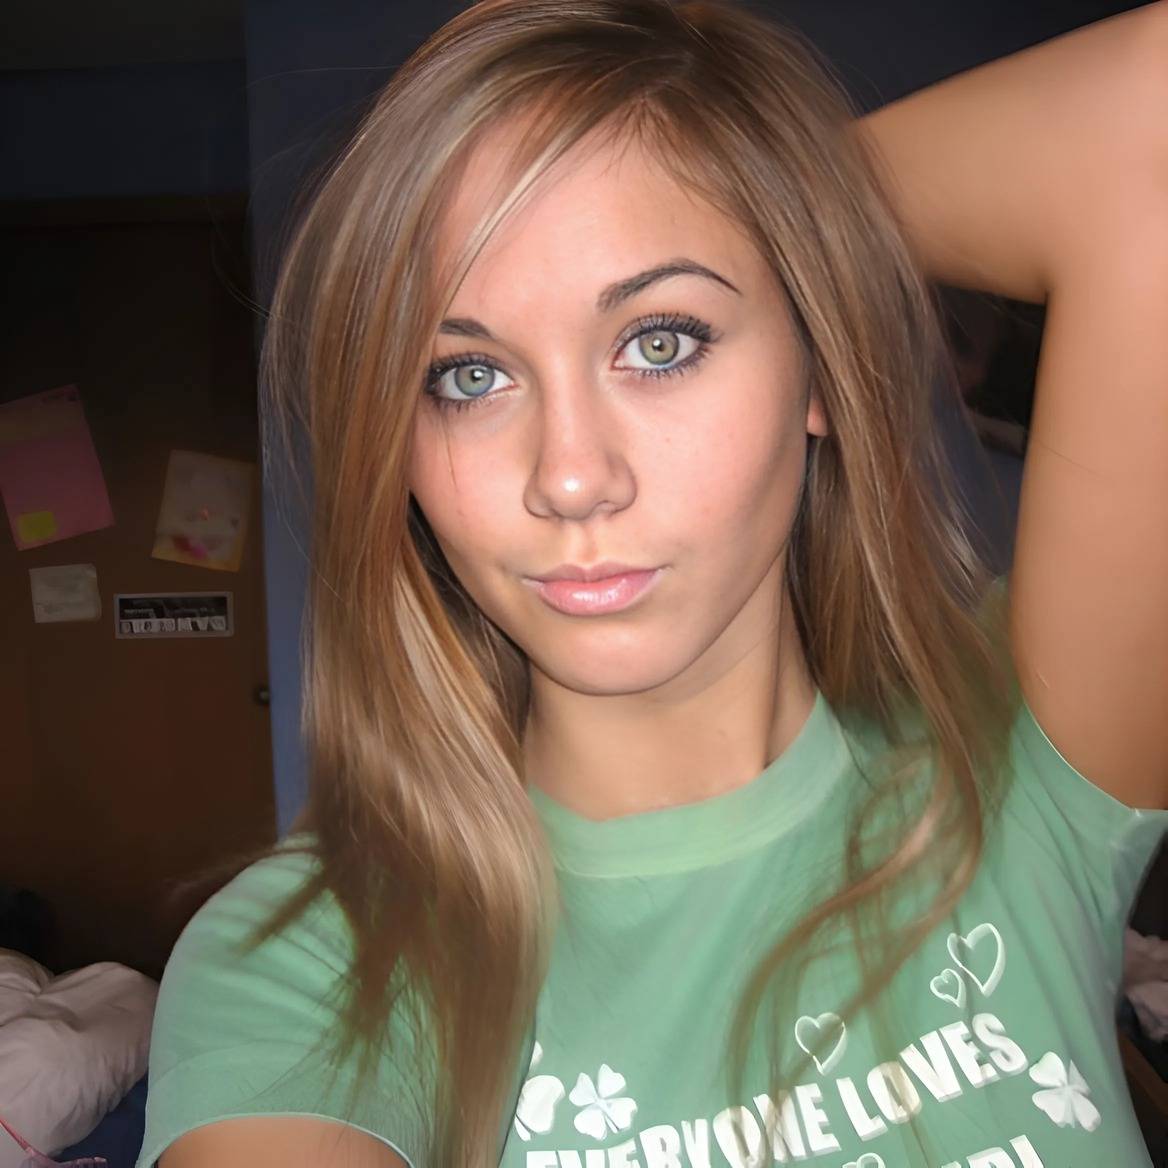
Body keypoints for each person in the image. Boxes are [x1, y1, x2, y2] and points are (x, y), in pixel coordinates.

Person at [136, 1, 1168, 1166]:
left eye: (660, 341)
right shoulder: (314, 964)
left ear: (816, 365)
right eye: (467, 375)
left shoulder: (1016, 762)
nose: (571, 477)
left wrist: (773, 197)